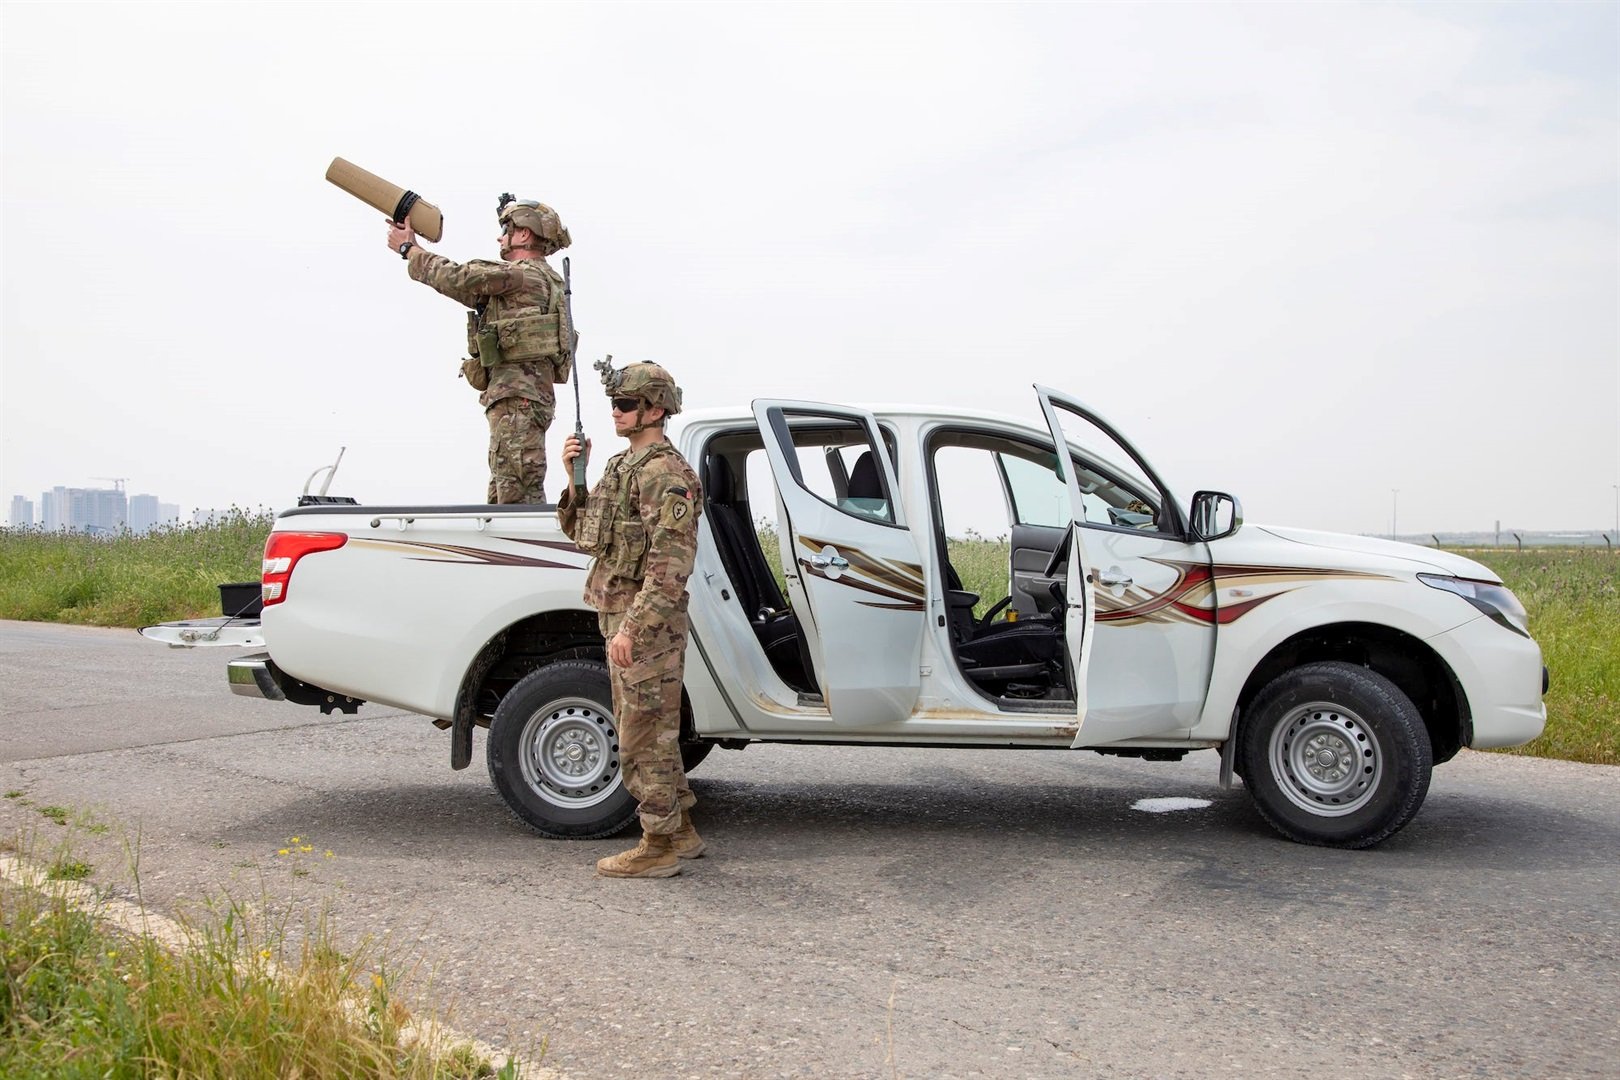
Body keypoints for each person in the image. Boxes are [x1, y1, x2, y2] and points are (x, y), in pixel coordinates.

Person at [557, 362, 704, 878]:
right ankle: (680, 830)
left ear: (655, 409)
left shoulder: (666, 475)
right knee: (649, 724)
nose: (616, 412)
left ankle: (657, 845)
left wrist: (633, 629)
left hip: (644, 624)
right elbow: (588, 533)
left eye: (626, 404)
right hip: (620, 613)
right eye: (614, 404)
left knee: (642, 731)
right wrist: (574, 475)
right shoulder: (625, 466)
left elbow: (671, 565)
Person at [387, 196, 572, 504]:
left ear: (524, 234)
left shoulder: (522, 276)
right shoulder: (538, 281)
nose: (500, 237)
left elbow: (459, 276)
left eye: (506, 228)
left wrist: (410, 250)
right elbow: (462, 288)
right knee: (505, 493)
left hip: (517, 402)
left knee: (517, 498)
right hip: (519, 401)